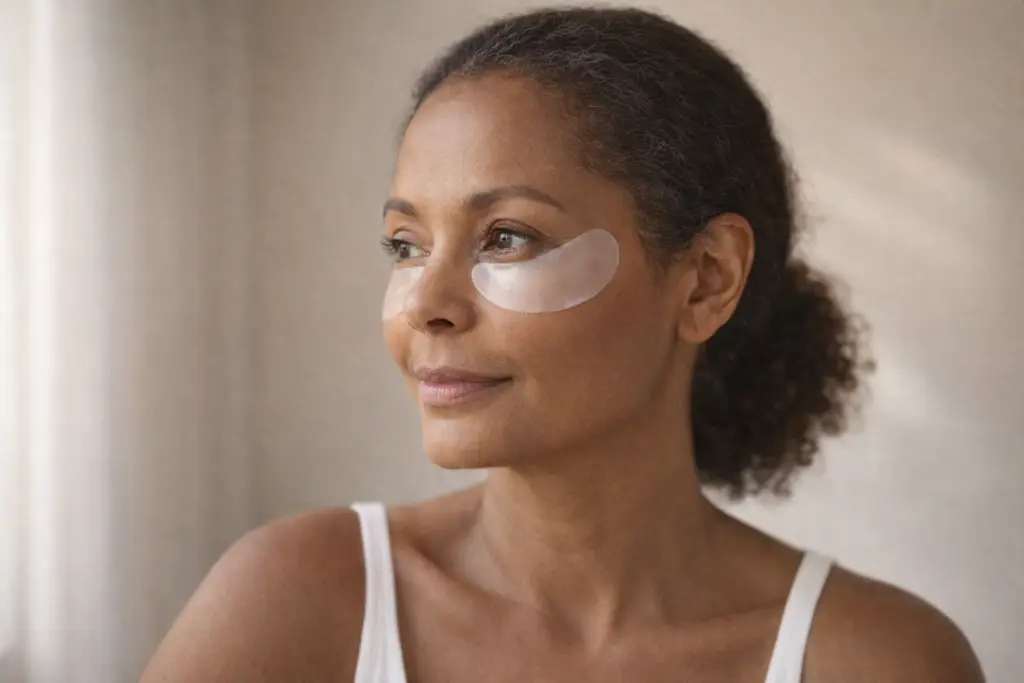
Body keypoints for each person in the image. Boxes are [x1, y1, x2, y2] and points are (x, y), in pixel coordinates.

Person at [140, 7, 984, 683]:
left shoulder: (881, 661)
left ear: (704, 280)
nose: (425, 303)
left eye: (506, 237)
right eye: (406, 244)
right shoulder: (296, 600)